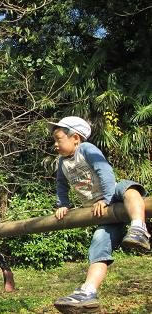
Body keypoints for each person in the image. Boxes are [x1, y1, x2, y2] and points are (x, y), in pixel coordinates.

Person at [47, 116, 150, 313]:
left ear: (75, 138)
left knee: (129, 189)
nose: (55, 144)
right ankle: (88, 292)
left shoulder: (86, 149)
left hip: (112, 197)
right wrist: (63, 205)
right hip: (99, 210)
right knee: (99, 241)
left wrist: (106, 198)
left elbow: (105, 171)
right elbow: (61, 185)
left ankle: (139, 228)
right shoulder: (62, 162)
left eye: (58, 139)